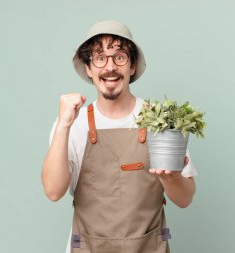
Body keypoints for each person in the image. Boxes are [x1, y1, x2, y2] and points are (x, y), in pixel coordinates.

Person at [41, 20, 198, 253]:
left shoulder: (161, 121)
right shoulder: (73, 123)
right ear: (88, 68)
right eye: (99, 57)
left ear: (132, 66)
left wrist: (171, 178)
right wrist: (64, 125)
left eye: (120, 57)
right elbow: (53, 191)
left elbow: (185, 199)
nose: (110, 67)